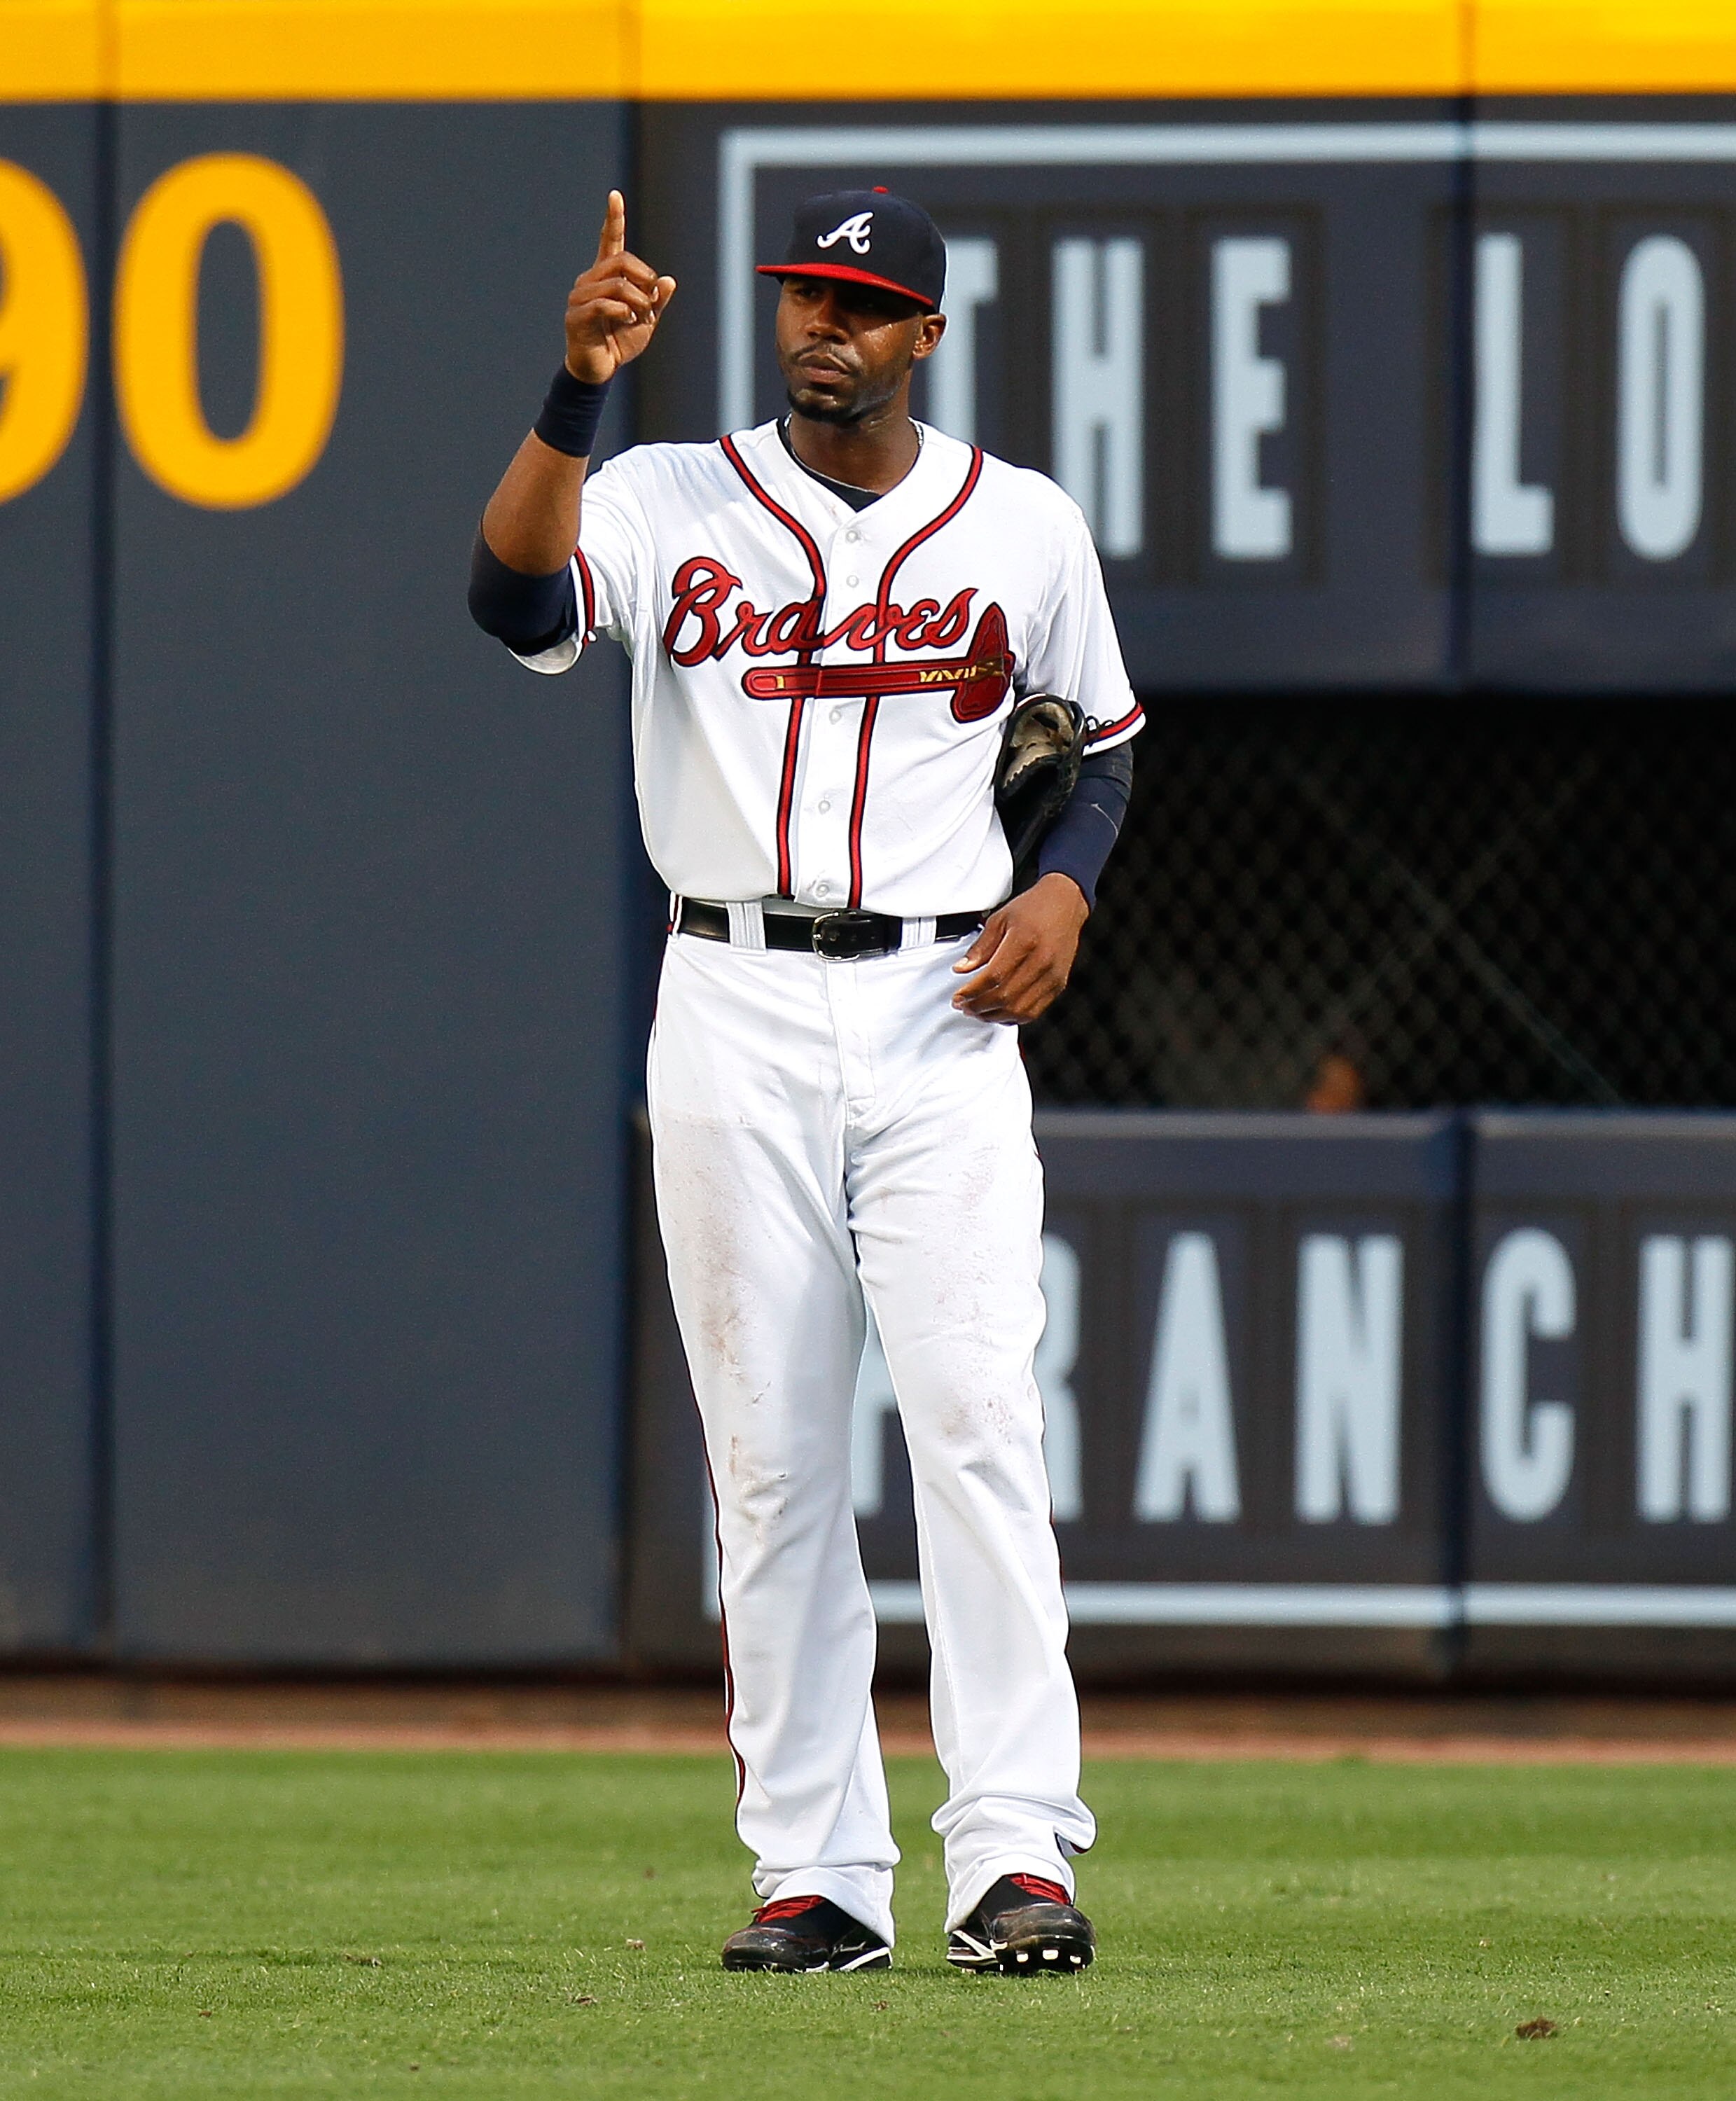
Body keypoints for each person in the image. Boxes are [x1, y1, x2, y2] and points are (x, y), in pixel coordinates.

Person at [469, 186, 1141, 1976]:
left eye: (858, 301)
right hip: (730, 990)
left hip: (942, 1006)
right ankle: (817, 1876)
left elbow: (1103, 748)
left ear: (924, 331)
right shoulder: (667, 489)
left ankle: (1017, 1858)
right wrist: (571, 389)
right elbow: (512, 596)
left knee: (980, 1430)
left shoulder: (1021, 525)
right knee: (767, 1465)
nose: (819, 324)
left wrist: (1065, 882)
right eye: (800, 295)